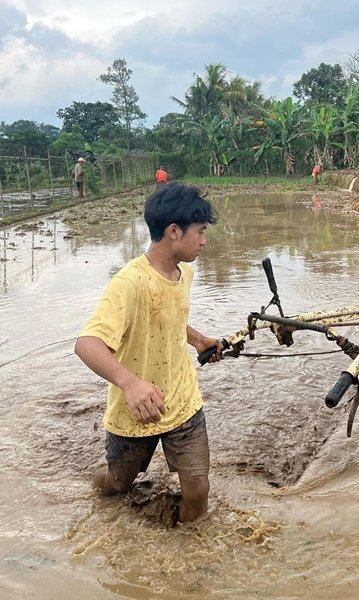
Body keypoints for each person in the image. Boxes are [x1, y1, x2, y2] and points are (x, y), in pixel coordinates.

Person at [74, 182, 222, 525]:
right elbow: (87, 343)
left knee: (198, 489)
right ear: (174, 231)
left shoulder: (184, 272)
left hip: (183, 402)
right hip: (136, 411)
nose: (203, 241)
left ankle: (185, 554)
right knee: (118, 483)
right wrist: (131, 384)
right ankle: (88, 493)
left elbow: (168, 317)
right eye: (200, 232)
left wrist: (198, 340)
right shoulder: (129, 283)